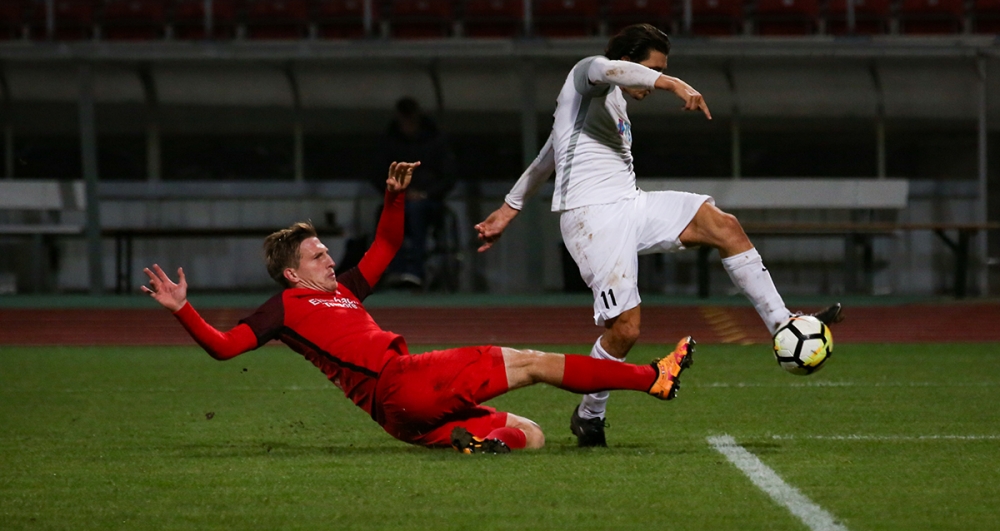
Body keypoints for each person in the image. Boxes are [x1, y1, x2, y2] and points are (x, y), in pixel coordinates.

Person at [141, 161, 695, 454]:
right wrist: (182, 309)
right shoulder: (285, 305)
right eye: (317, 254)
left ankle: (479, 447)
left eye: (326, 250)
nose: (329, 257)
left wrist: (394, 197)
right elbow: (224, 347)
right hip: (400, 381)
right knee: (531, 362)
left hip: (398, 419)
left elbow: (385, 247)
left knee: (530, 434)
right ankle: (652, 378)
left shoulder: (341, 292)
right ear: (292, 273)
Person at [474, 24, 843, 448]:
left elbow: (548, 156)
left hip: (630, 204)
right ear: (626, 62)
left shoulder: (610, 102)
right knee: (625, 330)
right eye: (653, 69)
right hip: (591, 218)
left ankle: (782, 323)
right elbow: (606, 75)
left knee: (723, 225)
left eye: (663, 71)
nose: (655, 78)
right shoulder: (588, 72)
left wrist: (509, 208)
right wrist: (674, 84)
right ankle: (590, 414)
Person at [372, 97, 457, 289]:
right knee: (393, 212)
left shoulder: (435, 140)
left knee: (416, 211)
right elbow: (377, 173)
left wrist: (426, 194)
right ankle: (395, 270)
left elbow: (448, 176)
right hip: (399, 198)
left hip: (429, 201)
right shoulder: (390, 141)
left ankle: (415, 271)